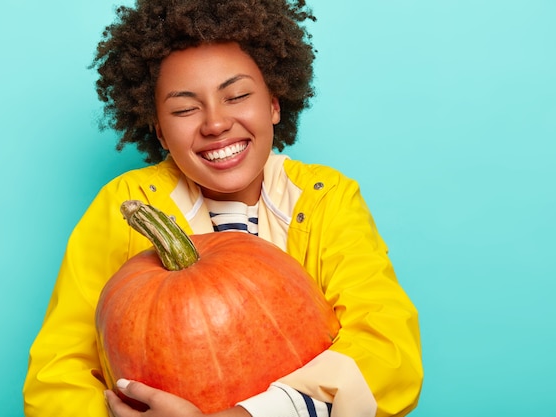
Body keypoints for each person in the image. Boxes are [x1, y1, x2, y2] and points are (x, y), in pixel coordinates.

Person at [23, 0, 423, 416]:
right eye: (184, 108)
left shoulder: (326, 199)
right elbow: (59, 371)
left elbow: (386, 344)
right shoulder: (124, 207)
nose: (215, 123)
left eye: (237, 96)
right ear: (159, 128)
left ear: (274, 103)